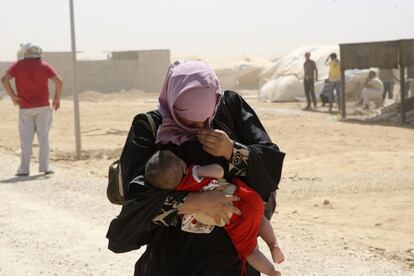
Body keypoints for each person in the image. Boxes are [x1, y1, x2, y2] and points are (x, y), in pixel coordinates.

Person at [106, 60, 285, 276]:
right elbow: (136, 202)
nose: (199, 128)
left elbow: (270, 167)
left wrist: (232, 151)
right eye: (189, 122)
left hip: (233, 263)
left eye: (205, 120)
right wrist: (191, 203)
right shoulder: (150, 128)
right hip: (173, 263)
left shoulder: (229, 109)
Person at [145, 150, 285, 276]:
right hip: (246, 198)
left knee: (250, 251)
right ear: (182, 167)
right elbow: (219, 171)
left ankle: (271, 271)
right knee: (259, 220)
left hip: (236, 219)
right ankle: (273, 244)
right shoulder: (194, 172)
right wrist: (200, 169)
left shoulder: (177, 195)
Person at [1, 43, 62, 176]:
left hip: (25, 108)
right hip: (43, 107)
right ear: (39, 55)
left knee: (26, 140)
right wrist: (57, 98)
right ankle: (45, 167)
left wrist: (13, 96)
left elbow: (4, 79)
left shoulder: (18, 65)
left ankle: (24, 169)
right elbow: (59, 81)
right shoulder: (44, 65)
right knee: (44, 138)